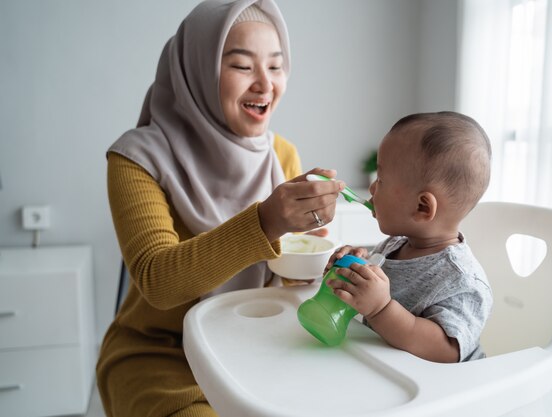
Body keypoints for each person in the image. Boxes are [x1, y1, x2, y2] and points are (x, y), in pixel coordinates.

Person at [96, 1, 344, 416]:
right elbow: (158, 281)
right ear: (198, 70)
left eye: (276, 66)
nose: (265, 84)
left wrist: (317, 260)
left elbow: (284, 285)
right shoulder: (136, 158)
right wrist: (267, 221)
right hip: (165, 362)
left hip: (257, 351)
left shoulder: (282, 155)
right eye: (243, 67)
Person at [326, 111, 493, 363]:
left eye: (381, 180)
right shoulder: (396, 245)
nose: (371, 188)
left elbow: (446, 350)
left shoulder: (462, 280)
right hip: (385, 370)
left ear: (422, 207)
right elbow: (371, 287)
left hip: (444, 392)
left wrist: (381, 308)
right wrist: (353, 270)